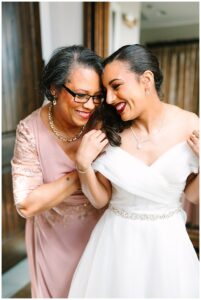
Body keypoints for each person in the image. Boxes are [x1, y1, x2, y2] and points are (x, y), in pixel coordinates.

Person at [68, 44, 199, 298]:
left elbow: (194, 196)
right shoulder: (108, 129)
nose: (108, 99)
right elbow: (100, 199)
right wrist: (83, 166)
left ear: (146, 80)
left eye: (116, 87)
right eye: (105, 91)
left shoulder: (190, 125)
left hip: (167, 245)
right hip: (116, 242)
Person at [11, 45, 105, 298]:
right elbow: (28, 204)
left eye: (97, 96)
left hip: (103, 234)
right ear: (54, 89)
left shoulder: (104, 122)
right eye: (80, 95)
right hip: (52, 240)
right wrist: (81, 170)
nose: (90, 105)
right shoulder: (29, 131)